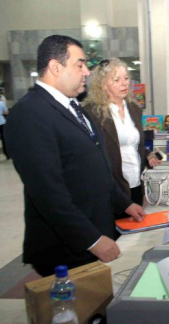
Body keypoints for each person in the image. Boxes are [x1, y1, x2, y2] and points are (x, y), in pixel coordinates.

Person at [4, 35, 145, 276]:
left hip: (96, 228)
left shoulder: (73, 107)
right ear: (55, 67)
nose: (87, 72)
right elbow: (48, 194)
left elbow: (97, 168)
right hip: (67, 248)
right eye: (80, 64)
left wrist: (125, 204)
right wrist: (91, 240)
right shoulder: (29, 115)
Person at [83, 58, 160, 211]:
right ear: (103, 85)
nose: (124, 83)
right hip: (112, 187)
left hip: (136, 183)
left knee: (134, 231)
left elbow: (132, 143)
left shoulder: (134, 108)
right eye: (116, 80)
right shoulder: (92, 112)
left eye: (126, 78)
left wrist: (148, 154)